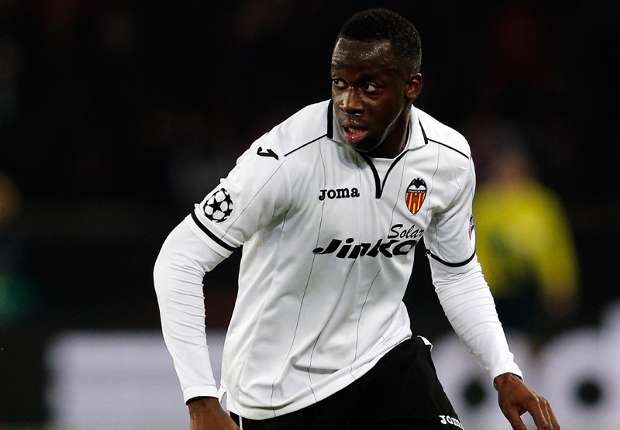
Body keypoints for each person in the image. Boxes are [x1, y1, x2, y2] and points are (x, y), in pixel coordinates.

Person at [154, 8, 559, 430]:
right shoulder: (287, 157)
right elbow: (178, 260)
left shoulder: (447, 160)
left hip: (384, 362)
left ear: (411, 87)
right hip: (276, 395)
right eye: (339, 84)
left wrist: (503, 369)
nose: (348, 102)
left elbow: (457, 274)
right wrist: (200, 399)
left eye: (368, 87)